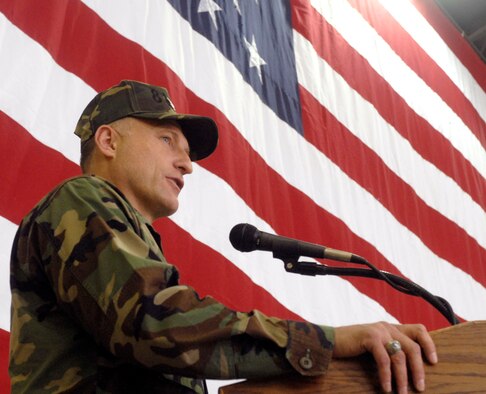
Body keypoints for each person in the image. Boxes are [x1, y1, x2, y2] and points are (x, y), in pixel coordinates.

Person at [9, 80, 437, 394]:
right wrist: (327, 341)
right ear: (108, 140)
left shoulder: (136, 241)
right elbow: (154, 323)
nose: (187, 165)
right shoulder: (82, 197)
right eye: (167, 140)